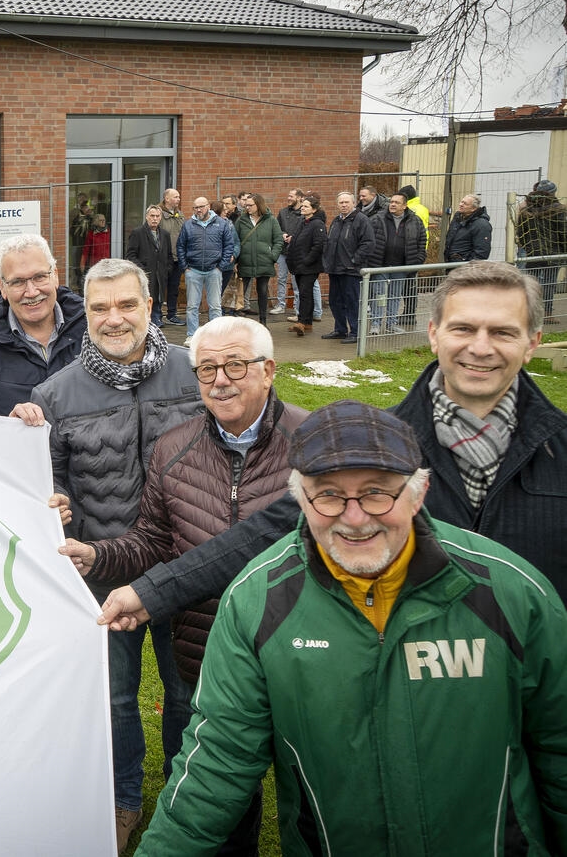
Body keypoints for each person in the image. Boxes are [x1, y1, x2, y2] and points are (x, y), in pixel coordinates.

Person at [134, 400, 567, 855]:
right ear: (300, 500)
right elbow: (218, 762)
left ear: (418, 494)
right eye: (329, 494)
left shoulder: (510, 592)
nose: (354, 517)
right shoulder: (257, 600)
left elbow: (558, 750)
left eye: (378, 492)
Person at [101, 262, 567, 677]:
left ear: (533, 343)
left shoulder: (560, 451)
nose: (480, 348)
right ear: (433, 334)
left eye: (503, 332)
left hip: (540, 678)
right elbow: (267, 531)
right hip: (410, 680)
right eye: (463, 329)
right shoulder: (377, 445)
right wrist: (152, 593)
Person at [58, 316, 306, 855]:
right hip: (205, 648)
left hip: (299, 650)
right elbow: (153, 539)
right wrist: (99, 556)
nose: (220, 380)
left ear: (269, 370)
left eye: (235, 365)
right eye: (207, 369)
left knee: (313, 790)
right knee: (226, 797)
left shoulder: (311, 447)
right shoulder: (173, 448)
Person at [22, 257, 203, 850]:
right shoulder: (54, 393)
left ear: (150, 307)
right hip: (104, 572)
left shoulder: (196, 373)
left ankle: (187, 792)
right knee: (116, 696)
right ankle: (123, 798)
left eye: (126, 304)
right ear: (85, 314)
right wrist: (59, 502)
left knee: (186, 693)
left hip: (186, 567)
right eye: (99, 307)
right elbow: (47, 480)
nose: (113, 318)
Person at [0, 234, 85, 415]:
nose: (31, 291)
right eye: (18, 282)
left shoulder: (91, 328)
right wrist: (12, 428)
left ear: (55, 276)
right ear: (3, 287)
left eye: (39, 277)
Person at [176, 197, 237, 341]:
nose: (198, 210)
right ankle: (192, 336)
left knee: (215, 306)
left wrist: (220, 267)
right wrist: (185, 267)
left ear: (208, 206)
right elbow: (180, 246)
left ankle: (216, 337)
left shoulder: (222, 224)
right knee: (192, 306)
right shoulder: (188, 225)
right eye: (195, 207)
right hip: (193, 270)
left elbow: (229, 245)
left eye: (201, 207)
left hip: (214, 270)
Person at [368, 190, 426, 334]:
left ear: (404, 206)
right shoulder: (378, 219)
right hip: (380, 265)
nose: (392, 205)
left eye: (396, 203)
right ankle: (376, 324)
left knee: (395, 296)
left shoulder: (415, 220)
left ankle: (391, 324)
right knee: (379, 296)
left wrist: (417, 260)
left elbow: (422, 240)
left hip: (401, 266)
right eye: (391, 202)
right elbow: (368, 239)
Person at [321, 190, 374, 343]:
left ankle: (355, 332)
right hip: (335, 269)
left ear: (353, 203)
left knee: (352, 302)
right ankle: (340, 329)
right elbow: (330, 242)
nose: (344, 205)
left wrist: (354, 260)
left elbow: (368, 243)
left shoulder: (361, 220)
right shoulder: (336, 221)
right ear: (337, 205)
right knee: (335, 301)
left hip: (351, 271)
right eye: (341, 202)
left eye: (346, 202)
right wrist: (327, 260)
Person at [514, 179, 567, 321]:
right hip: (553, 253)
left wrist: (529, 247)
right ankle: (547, 313)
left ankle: (530, 314)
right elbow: (564, 232)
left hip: (533, 253)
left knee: (531, 283)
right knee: (549, 283)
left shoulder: (526, 210)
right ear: (553, 193)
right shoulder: (559, 209)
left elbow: (521, 232)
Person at [233, 193, 283, 326]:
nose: (247, 207)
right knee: (240, 294)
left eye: (250, 205)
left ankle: (263, 321)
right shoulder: (241, 220)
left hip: (264, 261)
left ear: (258, 205)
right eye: (246, 205)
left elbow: (278, 240)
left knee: (262, 291)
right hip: (245, 261)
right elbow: (235, 241)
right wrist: (236, 260)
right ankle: (239, 324)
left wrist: (272, 256)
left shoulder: (271, 220)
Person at [276, 188, 322, 323]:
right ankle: (304, 321)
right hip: (298, 263)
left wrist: (307, 261)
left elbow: (318, 245)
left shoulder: (317, 224)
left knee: (306, 292)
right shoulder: (303, 222)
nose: (303, 208)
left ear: (313, 209)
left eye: (306, 206)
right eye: (303, 206)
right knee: (304, 293)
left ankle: (306, 320)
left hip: (309, 266)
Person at [126, 205, 174, 327]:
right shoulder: (138, 233)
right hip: (146, 272)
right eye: (152, 216)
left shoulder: (165, 234)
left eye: (157, 216)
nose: (155, 219)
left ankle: (157, 318)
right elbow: (130, 255)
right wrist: (141, 270)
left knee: (159, 296)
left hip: (161, 272)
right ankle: (150, 319)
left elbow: (169, 254)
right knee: (147, 295)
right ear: (147, 217)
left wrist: (168, 269)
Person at [158, 189, 185, 324]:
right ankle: (156, 315)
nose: (178, 199)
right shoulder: (159, 215)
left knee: (174, 287)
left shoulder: (179, 215)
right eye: (175, 197)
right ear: (166, 199)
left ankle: (171, 314)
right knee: (159, 287)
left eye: (179, 197)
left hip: (177, 258)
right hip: (163, 258)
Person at [443, 193, 491, 263]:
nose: (461, 205)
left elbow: (481, 252)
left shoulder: (481, 225)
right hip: (451, 263)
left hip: (466, 267)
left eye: (465, 204)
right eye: (461, 202)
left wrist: (468, 266)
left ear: (473, 208)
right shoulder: (458, 218)